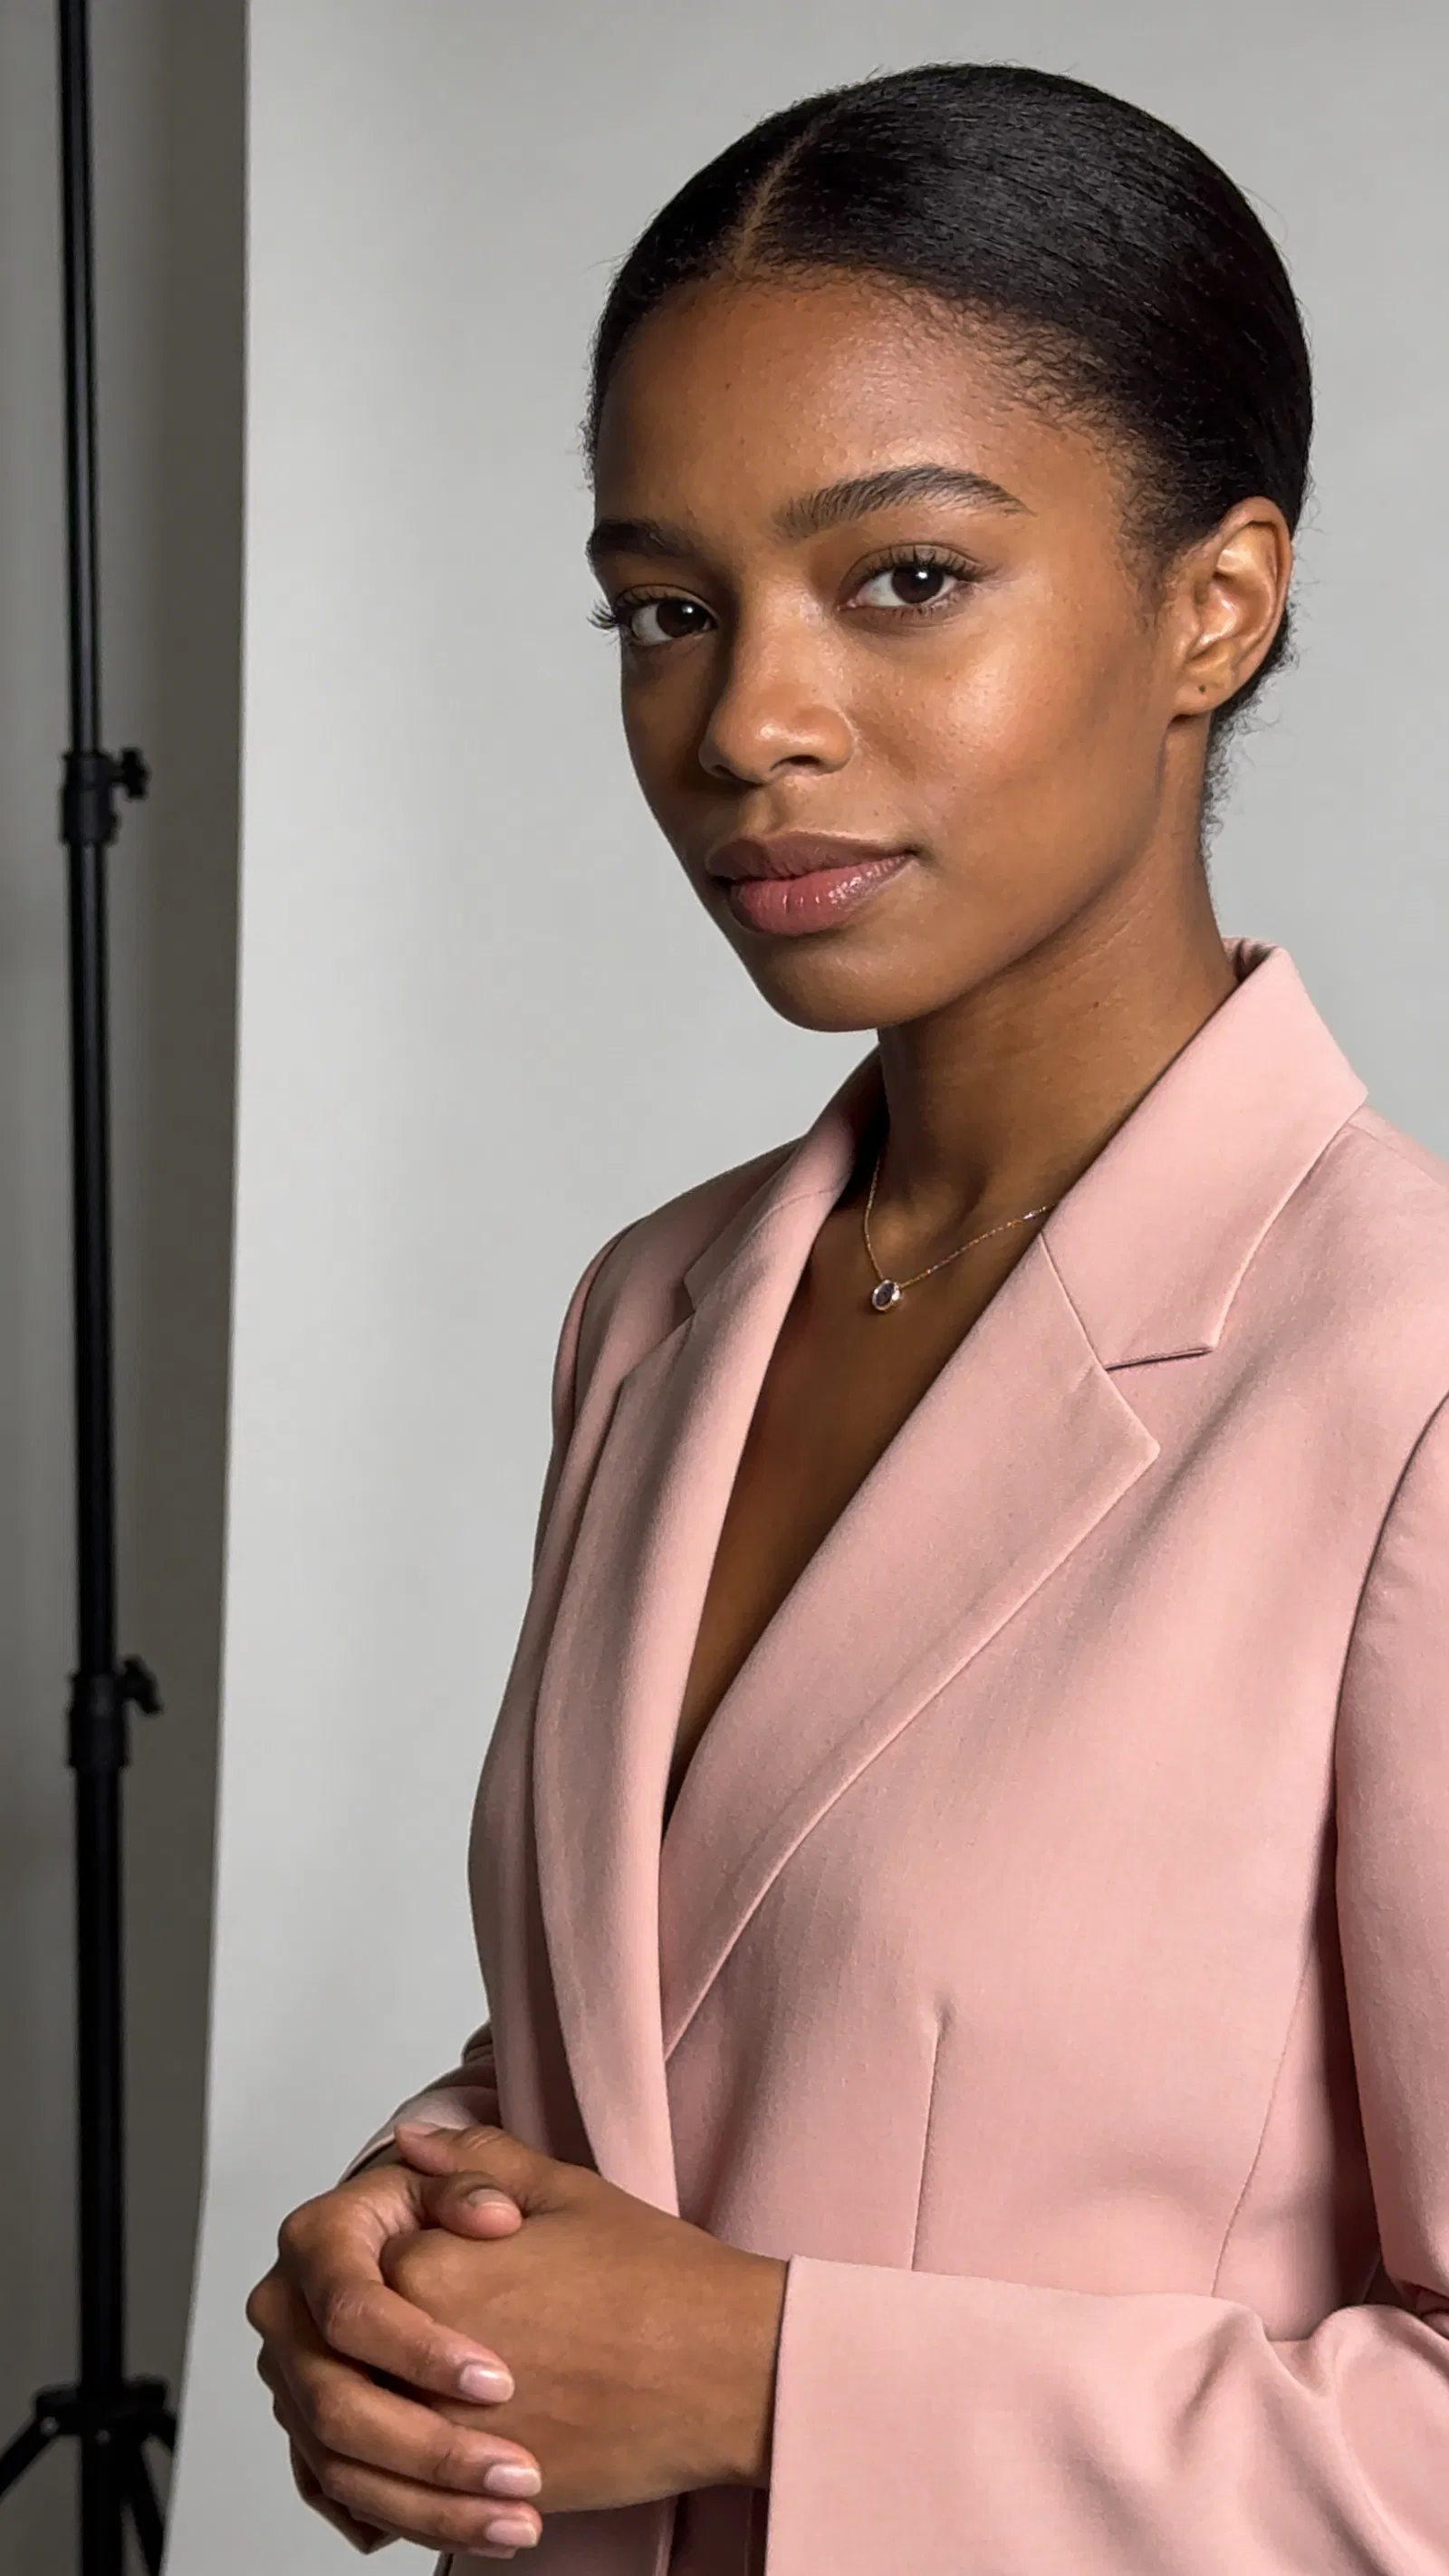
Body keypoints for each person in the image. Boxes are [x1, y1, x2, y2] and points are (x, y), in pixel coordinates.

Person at [245, 58, 1449, 2575]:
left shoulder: (1404, 1375)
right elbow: (689, 2035)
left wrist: (770, 2374)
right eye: (667, 606)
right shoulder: (661, 1307)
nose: (744, 724)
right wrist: (423, 2236)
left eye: (899, 577)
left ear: (1214, 604)